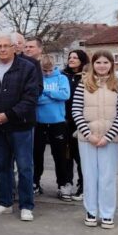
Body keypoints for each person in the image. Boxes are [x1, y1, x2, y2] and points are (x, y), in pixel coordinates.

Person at [0, 32, 40, 220]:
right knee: (1, 166)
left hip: (20, 127)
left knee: (24, 166)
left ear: (14, 48)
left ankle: (26, 205)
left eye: (6, 46)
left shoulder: (27, 68)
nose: (2, 49)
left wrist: (8, 115)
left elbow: (31, 98)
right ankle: (4, 202)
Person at [72, 50, 118, 229]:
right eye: (98, 62)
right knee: (90, 176)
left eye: (106, 62)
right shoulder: (84, 84)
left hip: (110, 139)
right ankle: (91, 211)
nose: (102, 66)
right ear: (93, 64)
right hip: (87, 138)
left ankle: (107, 214)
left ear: (112, 64)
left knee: (107, 177)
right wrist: (89, 135)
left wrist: (107, 136)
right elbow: (76, 111)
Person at [33, 54, 72, 199]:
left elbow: (65, 95)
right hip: (39, 123)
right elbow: (35, 98)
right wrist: (53, 97)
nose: (48, 73)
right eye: (44, 70)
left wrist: (47, 92)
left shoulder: (62, 78)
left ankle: (62, 184)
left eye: (50, 70)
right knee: (36, 155)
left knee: (60, 156)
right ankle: (35, 182)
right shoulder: (37, 78)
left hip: (58, 123)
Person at [62, 48, 89, 201]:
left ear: (82, 60)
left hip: (80, 122)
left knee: (80, 156)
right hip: (64, 121)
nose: (71, 60)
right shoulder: (63, 76)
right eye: (70, 57)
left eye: (75, 58)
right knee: (66, 156)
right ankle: (67, 183)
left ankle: (83, 185)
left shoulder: (86, 77)